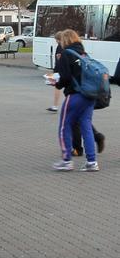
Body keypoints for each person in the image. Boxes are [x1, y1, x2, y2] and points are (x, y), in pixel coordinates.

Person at [52, 29, 99, 172]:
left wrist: (57, 84)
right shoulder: (84, 54)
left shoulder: (66, 54)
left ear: (65, 40)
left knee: (64, 126)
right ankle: (92, 161)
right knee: (86, 127)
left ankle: (66, 160)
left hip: (75, 95)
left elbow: (64, 77)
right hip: (89, 96)